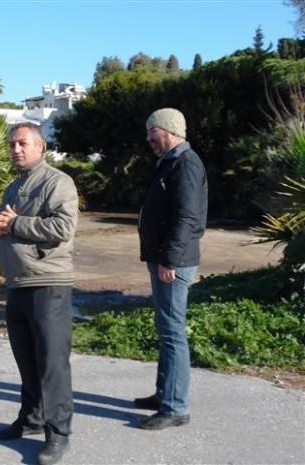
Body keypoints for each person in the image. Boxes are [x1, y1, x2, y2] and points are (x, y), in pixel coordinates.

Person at [0, 123, 79, 465]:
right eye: (12, 144)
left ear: (40, 146)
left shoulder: (57, 182)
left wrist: (15, 224)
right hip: (18, 284)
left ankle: (58, 433)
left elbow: (62, 228)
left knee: (52, 363)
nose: (16, 149)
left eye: (23, 143)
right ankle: (31, 417)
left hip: (48, 284)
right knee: (26, 358)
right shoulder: (14, 186)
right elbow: (5, 223)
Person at [136, 108, 208, 430]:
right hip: (165, 258)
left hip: (173, 261)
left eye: (153, 130)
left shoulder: (185, 163)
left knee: (173, 332)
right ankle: (165, 393)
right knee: (167, 329)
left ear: (169, 129)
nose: (149, 137)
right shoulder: (170, 161)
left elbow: (187, 217)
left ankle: (176, 406)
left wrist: (170, 260)